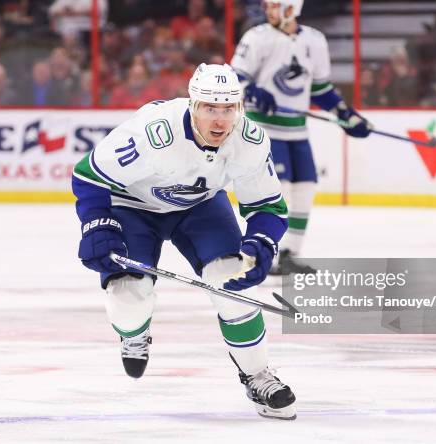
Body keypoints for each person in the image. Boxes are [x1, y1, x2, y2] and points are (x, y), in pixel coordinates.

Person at [72, 63, 296, 420]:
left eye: (228, 109)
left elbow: (268, 206)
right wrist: (98, 226)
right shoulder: (153, 131)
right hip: (133, 206)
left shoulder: (249, 140)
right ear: (193, 105)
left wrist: (261, 243)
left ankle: (257, 374)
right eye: (210, 108)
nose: (220, 120)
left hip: (200, 206)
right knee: (129, 296)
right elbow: (89, 175)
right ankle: (135, 332)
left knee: (232, 281)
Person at [230, 0, 371, 275]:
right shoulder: (256, 38)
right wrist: (254, 90)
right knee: (277, 189)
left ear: (291, 9)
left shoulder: (315, 41)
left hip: (297, 129)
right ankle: (265, 252)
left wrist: (346, 114)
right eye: (268, 6)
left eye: (275, 7)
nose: (269, 12)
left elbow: (320, 88)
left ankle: (289, 253)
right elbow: (235, 77)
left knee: (306, 187)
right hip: (265, 129)